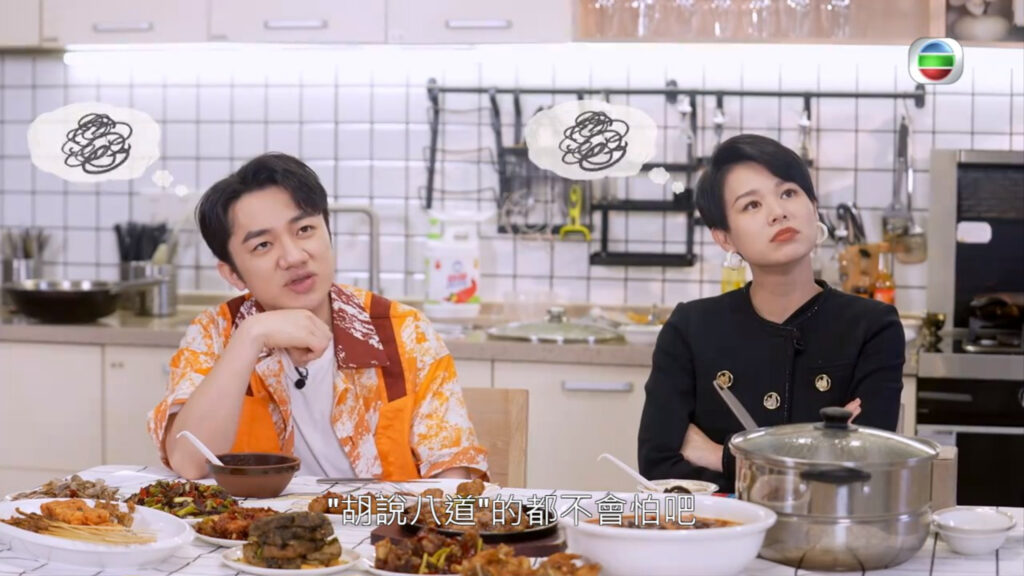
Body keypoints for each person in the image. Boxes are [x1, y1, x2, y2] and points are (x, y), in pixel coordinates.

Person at [148, 153, 488, 481]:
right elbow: (189, 462)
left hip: (381, 521)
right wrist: (251, 336)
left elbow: (452, 472)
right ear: (233, 274)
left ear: (328, 231)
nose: (294, 257)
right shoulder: (215, 333)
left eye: (304, 229)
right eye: (263, 245)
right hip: (255, 521)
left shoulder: (405, 332)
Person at [637, 134, 904, 491]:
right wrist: (818, 458)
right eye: (752, 205)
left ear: (813, 207)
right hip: (715, 524)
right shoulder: (690, 327)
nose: (778, 212)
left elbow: (864, 468)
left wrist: (720, 456)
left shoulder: (873, 327)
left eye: (788, 193)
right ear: (725, 238)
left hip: (828, 525)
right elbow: (659, 467)